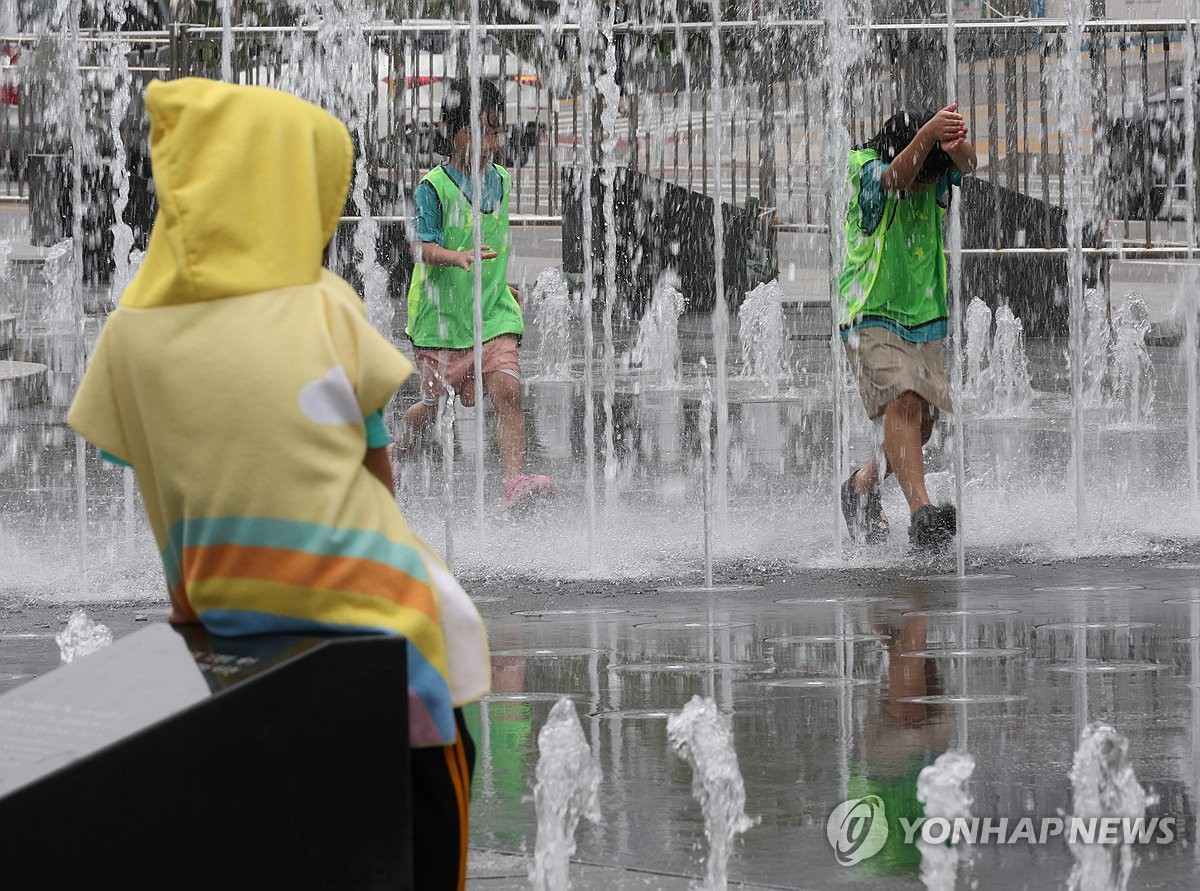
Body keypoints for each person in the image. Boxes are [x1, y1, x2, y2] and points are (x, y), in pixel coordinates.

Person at [66, 78, 489, 890]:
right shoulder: (326, 309)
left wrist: (198, 603)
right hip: (381, 635)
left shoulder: (128, 336)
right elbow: (379, 485)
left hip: (229, 623)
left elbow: (163, 490)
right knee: (434, 807)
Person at [399, 77, 555, 512]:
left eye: (496, 130)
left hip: (491, 314)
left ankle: (514, 482)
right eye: (482, 129)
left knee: (508, 391)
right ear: (453, 130)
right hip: (442, 323)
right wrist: (455, 256)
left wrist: (500, 284)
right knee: (435, 409)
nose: (491, 141)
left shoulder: (500, 180)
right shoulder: (434, 187)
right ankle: (393, 457)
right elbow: (419, 246)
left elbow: (496, 243)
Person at [838, 104, 977, 551]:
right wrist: (928, 134)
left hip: (922, 316)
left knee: (919, 428)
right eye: (925, 175)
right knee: (905, 401)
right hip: (871, 311)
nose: (927, 186)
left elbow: (969, 165)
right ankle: (922, 515)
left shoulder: (933, 171)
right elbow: (896, 178)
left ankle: (862, 483)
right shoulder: (863, 168)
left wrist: (952, 141)